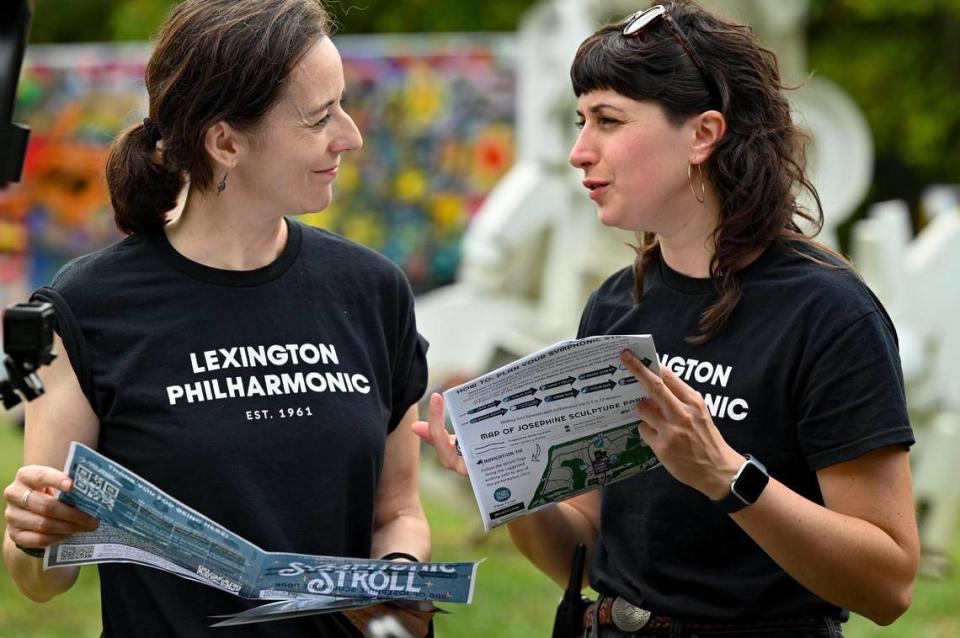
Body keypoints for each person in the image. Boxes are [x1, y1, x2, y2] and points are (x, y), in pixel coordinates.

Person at [414, 2, 920, 636]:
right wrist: (511, 484)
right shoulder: (617, 304)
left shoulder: (829, 313)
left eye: (608, 120)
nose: (578, 152)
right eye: (580, 121)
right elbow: (590, 552)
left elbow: (889, 583)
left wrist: (727, 478)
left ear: (703, 134)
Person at [2, 1, 433, 636]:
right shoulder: (89, 307)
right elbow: (41, 578)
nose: (350, 135)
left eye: (343, 105)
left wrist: (396, 583)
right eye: (320, 118)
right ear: (225, 141)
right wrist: (36, 536)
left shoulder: (373, 291)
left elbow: (399, 510)